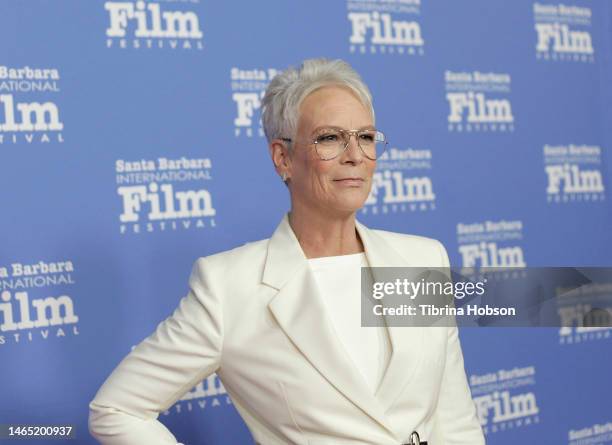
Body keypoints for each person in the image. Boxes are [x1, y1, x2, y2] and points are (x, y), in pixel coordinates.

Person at [89, 58, 485, 445]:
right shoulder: (229, 287)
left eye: (365, 137)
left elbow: (454, 417)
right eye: (330, 138)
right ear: (283, 158)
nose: (355, 155)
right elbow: (116, 410)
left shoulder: (423, 259)